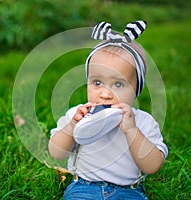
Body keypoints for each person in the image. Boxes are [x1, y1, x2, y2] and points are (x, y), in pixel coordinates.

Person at [48, 21, 168, 200]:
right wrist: (72, 126)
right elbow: (56, 153)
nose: (105, 94)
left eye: (118, 84)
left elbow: (152, 166)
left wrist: (131, 130)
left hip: (128, 191)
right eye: (97, 83)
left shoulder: (143, 122)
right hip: (84, 187)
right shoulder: (79, 115)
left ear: (136, 90)